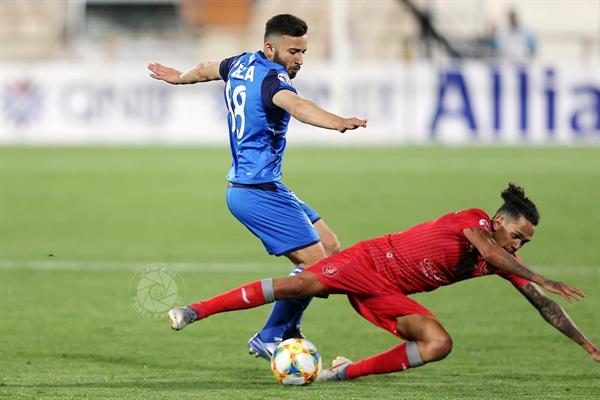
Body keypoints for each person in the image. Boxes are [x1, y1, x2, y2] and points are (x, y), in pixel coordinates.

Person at [168, 183, 600, 381]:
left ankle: (339, 374)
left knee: (438, 343)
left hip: (389, 294)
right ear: (500, 222)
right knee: (298, 286)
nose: (518, 247)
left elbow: (543, 305)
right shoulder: (474, 222)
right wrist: (544, 276)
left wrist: (586, 345)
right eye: (517, 237)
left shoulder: (499, 259)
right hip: (368, 262)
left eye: (523, 243)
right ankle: (195, 311)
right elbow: (490, 251)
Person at [148, 14, 367, 360]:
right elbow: (296, 106)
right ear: (270, 47)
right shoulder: (272, 81)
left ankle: (287, 327)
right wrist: (336, 122)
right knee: (319, 270)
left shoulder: (240, 62)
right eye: (293, 51)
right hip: (256, 191)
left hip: (267, 186)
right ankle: (270, 335)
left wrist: (180, 78)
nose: (299, 59)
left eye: (303, 52)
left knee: (330, 245)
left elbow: (208, 68)